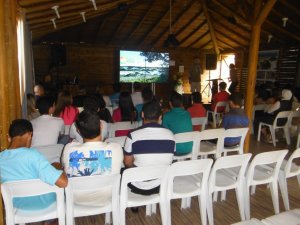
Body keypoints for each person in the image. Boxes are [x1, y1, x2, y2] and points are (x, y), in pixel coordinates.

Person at [0, 119, 67, 211]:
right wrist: (58, 167)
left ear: (9, 138)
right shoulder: (32, 155)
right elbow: (63, 182)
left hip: (16, 207)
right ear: (29, 135)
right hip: (44, 206)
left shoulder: (1, 158)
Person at [62, 110, 122, 206]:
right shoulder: (116, 148)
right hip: (107, 196)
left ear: (78, 131)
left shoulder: (69, 149)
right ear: (101, 126)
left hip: (76, 197)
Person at [123, 100, 175, 195]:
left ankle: (135, 204)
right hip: (162, 184)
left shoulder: (132, 135)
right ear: (160, 117)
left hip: (139, 185)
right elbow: (170, 159)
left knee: (122, 170)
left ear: (142, 114)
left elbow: (127, 163)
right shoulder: (171, 135)